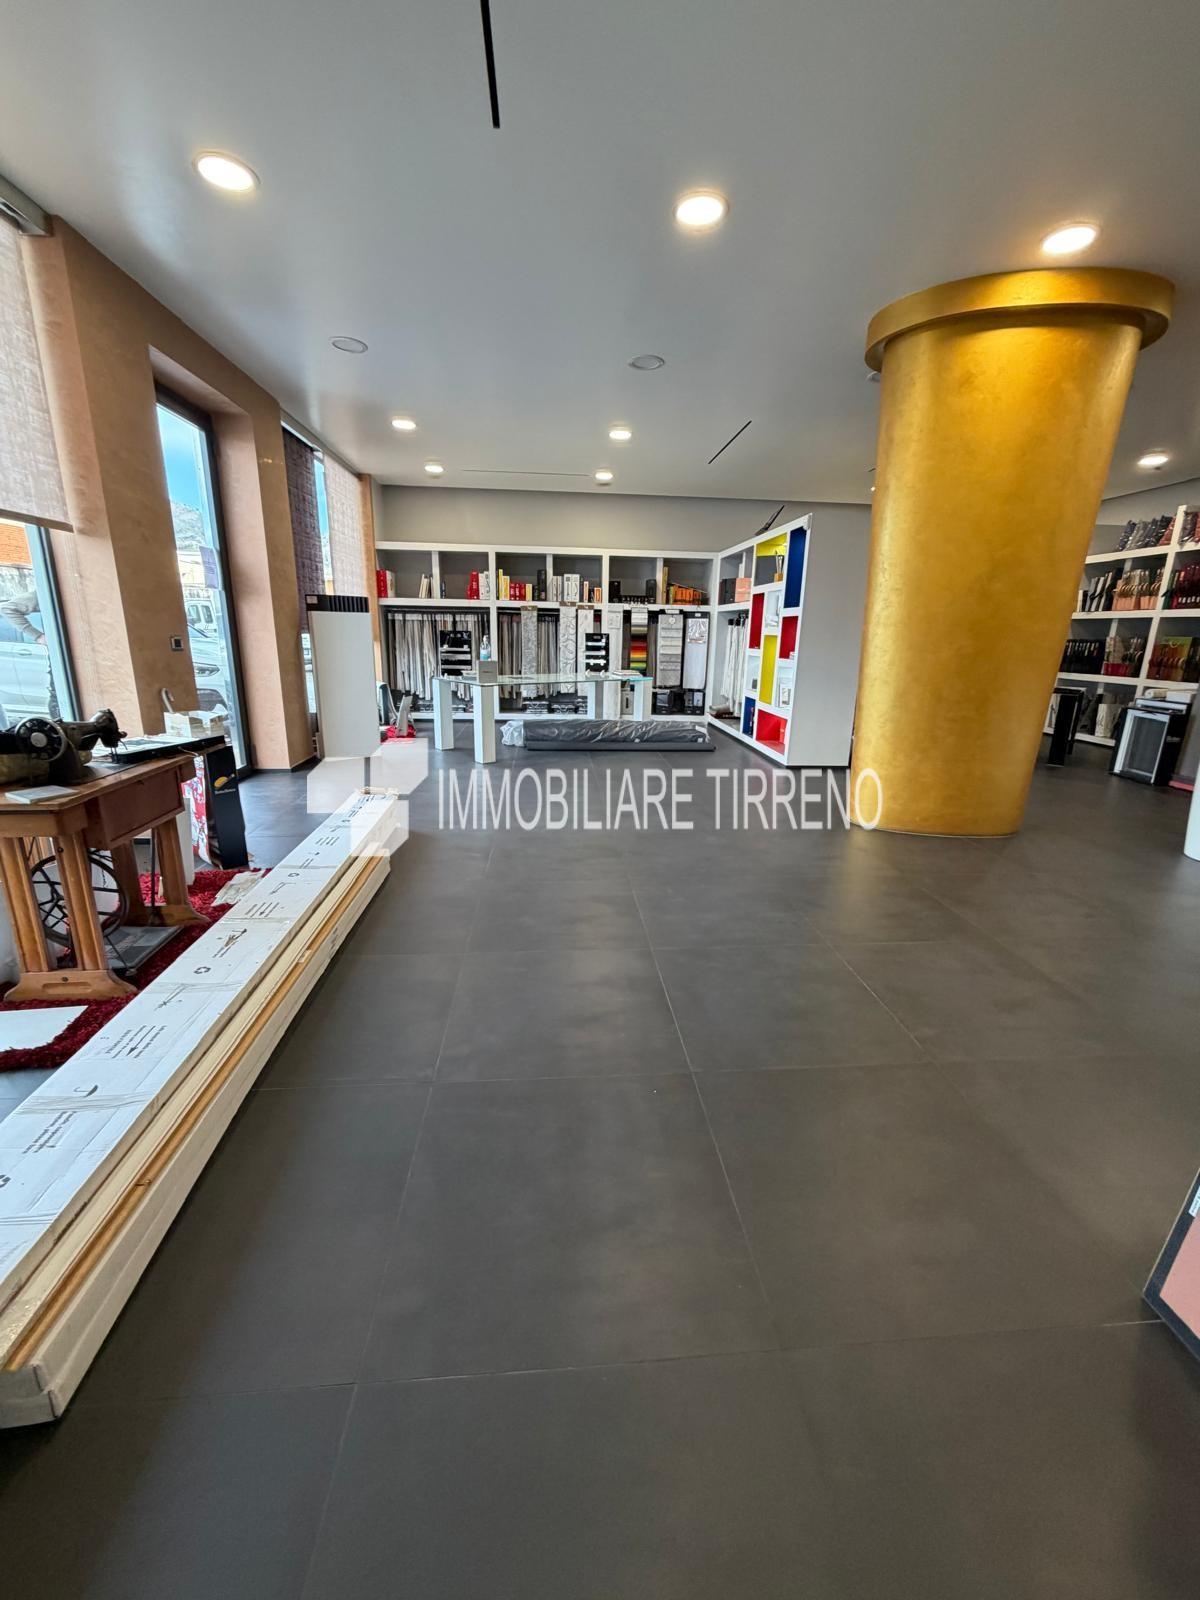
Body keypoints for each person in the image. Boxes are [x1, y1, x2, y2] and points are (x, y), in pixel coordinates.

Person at [0, 587, 60, 720]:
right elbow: (7, 609)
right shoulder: (46, 592)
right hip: (60, 655)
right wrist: (37, 636)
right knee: (59, 697)